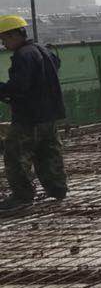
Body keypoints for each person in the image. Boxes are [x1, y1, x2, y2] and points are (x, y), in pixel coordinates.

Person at [0, 15, 67, 216]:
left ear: (14, 35)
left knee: (15, 154)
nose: (3, 44)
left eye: (4, 39)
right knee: (48, 151)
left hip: (29, 117)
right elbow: (54, 66)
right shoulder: (42, 50)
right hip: (49, 114)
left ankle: (22, 196)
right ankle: (57, 188)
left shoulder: (23, 55)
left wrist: (2, 89)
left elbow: (19, 86)